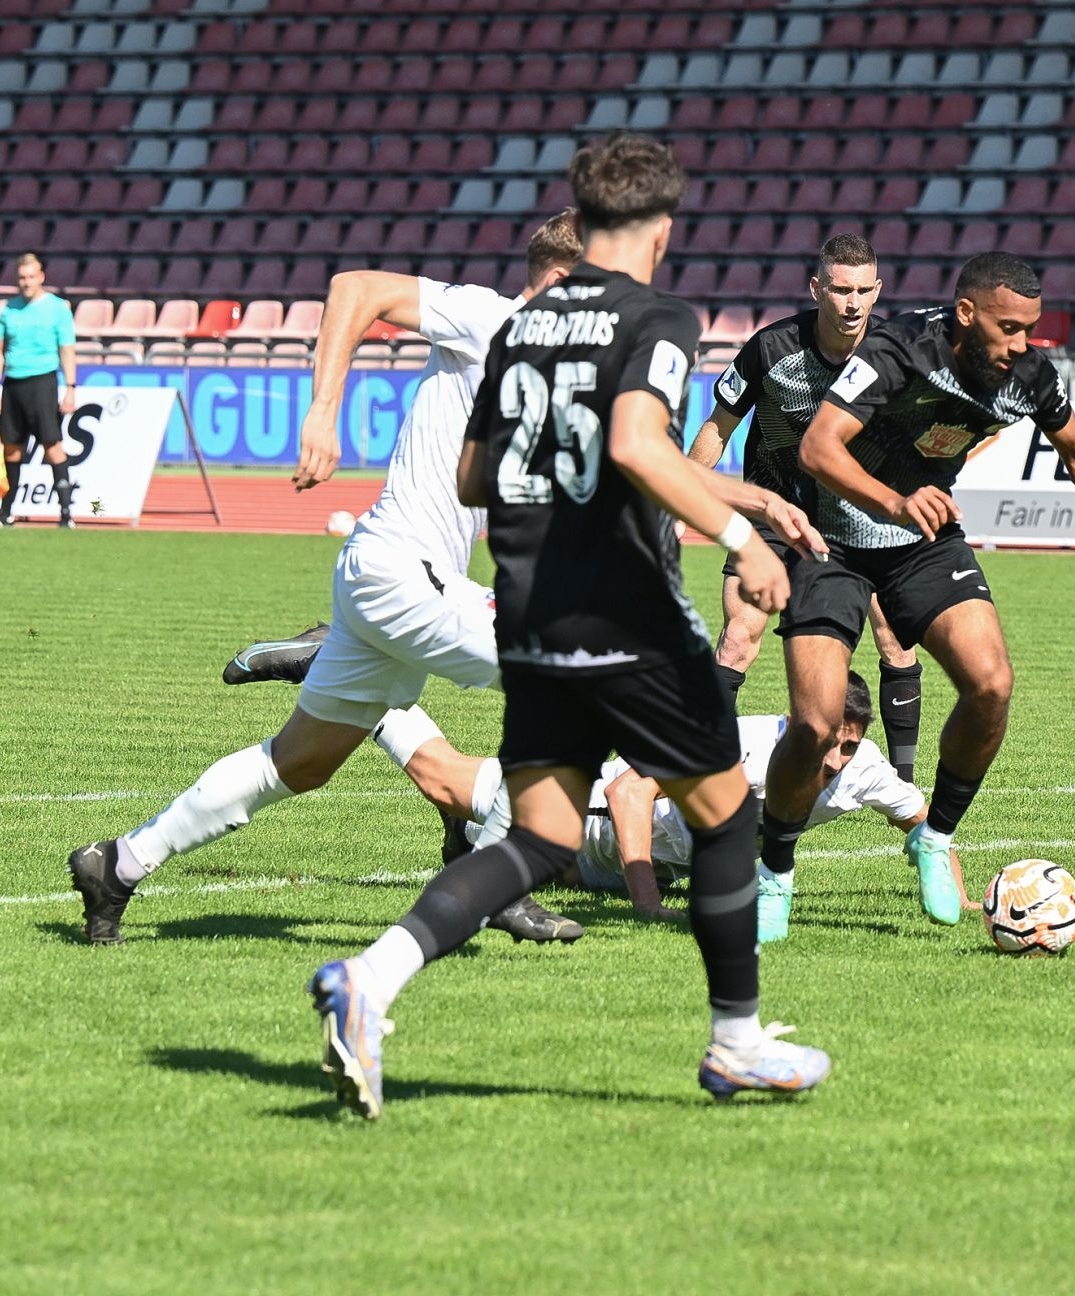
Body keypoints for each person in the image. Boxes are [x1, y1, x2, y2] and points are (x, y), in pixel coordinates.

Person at [307, 132, 831, 1118]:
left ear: (580, 219)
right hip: (624, 613)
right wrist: (735, 528)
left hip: (528, 613)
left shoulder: (522, 326)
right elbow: (636, 443)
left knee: (544, 832)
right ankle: (736, 1045)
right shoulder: (660, 316)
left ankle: (368, 982)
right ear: (664, 229)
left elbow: (473, 478)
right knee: (725, 813)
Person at [65, 213, 603, 945]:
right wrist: (324, 411)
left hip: (393, 576)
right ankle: (494, 875)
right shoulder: (497, 319)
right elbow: (356, 288)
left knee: (299, 763)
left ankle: (119, 864)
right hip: (398, 573)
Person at [761, 251, 1075, 938]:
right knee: (815, 724)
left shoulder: (1027, 376)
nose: (1023, 343)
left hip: (921, 542)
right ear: (967, 314)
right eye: (1009, 328)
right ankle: (776, 868)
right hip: (830, 541)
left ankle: (934, 836)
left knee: (991, 683)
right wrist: (895, 502)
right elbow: (819, 449)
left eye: (1032, 328)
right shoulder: (900, 348)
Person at [687, 236, 928, 782]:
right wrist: (685, 496)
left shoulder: (893, 352)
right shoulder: (771, 349)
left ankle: (902, 784)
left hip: (860, 518)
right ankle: (708, 769)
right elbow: (717, 427)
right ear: (817, 288)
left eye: (864, 291)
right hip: (774, 514)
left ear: (878, 291)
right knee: (740, 633)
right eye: (841, 290)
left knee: (893, 638)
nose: (852, 304)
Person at [558, 674, 976, 929]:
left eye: (848, 746)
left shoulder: (864, 769)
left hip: (641, 867)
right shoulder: (746, 745)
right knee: (498, 798)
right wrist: (648, 907)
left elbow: (929, 827)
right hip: (580, 809)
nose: (834, 760)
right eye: (827, 742)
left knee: (536, 874)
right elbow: (628, 792)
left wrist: (959, 895)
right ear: (797, 722)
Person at [0, 253, 77, 527]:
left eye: (32, 276)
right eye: (22, 277)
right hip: (12, 384)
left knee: (52, 445)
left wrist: (70, 387)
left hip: (42, 382)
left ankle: (66, 513)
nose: (27, 282)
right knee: (11, 448)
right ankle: (6, 511)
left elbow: (67, 350)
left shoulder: (58, 308)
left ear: (42, 277)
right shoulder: (9, 309)